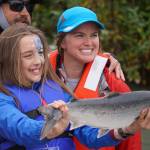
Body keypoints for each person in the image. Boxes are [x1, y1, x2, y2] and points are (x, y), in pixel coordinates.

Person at [1, 23, 150, 150]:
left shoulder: (56, 89)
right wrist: (51, 130)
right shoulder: (3, 98)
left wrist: (126, 130)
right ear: (8, 60)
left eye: (40, 53)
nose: (39, 61)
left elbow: (89, 136)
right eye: (28, 55)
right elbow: (20, 129)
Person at [49, 6, 143, 150]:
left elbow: (131, 144)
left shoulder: (114, 82)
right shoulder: (38, 75)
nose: (89, 42)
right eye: (79, 35)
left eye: (94, 35)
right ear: (62, 42)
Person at [0, 0, 125, 81]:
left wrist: (106, 60)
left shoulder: (41, 51)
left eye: (29, 6)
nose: (25, 12)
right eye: (16, 5)